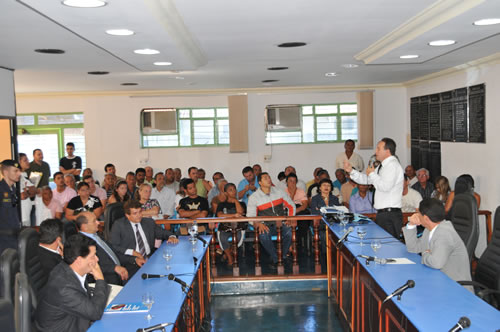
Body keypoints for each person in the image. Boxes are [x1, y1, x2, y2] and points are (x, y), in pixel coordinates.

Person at [35, 234, 109, 332]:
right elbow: (95, 313)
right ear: (78, 260)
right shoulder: (64, 287)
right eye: (93, 256)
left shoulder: (69, 267)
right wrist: (100, 279)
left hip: (75, 321)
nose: (97, 259)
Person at [403, 198, 472, 291]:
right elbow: (413, 248)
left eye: (419, 213)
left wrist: (425, 254)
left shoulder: (444, 233)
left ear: (426, 218)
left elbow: (436, 263)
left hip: (456, 288)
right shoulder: (430, 228)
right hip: (439, 280)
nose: (416, 215)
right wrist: (411, 224)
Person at [344, 137, 404, 238]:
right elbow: (367, 180)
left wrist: (372, 174)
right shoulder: (383, 166)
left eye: (378, 149)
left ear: (387, 151)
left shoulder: (392, 165)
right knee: (383, 247)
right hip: (383, 214)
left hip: (390, 214)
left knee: (389, 248)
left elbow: (385, 187)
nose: (376, 151)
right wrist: (351, 171)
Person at [110, 200, 178, 273]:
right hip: (131, 262)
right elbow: (114, 247)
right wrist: (132, 253)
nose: (139, 215)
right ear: (127, 215)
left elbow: (163, 232)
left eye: (140, 212)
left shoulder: (148, 222)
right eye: (135, 213)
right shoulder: (119, 225)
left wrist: (172, 236)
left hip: (150, 259)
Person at [247, 172, 295, 269]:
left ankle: (281, 256)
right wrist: (258, 224)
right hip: (265, 224)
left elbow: (291, 205)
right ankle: (277, 258)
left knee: (289, 231)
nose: (269, 179)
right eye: (265, 178)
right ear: (259, 182)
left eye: (269, 177)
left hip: (280, 223)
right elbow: (250, 216)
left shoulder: (279, 192)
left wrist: (290, 218)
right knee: (263, 235)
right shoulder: (254, 197)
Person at [77, 212, 129, 284]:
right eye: (94, 221)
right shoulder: (81, 243)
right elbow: (89, 266)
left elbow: (112, 252)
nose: (98, 223)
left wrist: (134, 259)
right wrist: (114, 268)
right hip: (107, 280)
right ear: (84, 226)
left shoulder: (96, 235)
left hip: (120, 272)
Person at [216, 183, 246, 266]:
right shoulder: (221, 204)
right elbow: (219, 215)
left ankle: (227, 254)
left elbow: (240, 212)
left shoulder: (242, 203)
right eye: (230, 190)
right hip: (225, 227)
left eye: (234, 189)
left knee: (238, 238)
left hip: (238, 227)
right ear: (225, 193)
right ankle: (230, 257)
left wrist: (236, 201)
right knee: (222, 238)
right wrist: (233, 215)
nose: (234, 191)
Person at [0, 159, 22, 254]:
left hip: (14, 236)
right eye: (15, 171)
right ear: (5, 172)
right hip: (3, 238)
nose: (19, 173)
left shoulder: (13, 190)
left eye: (19, 171)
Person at [19, 153, 36, 226]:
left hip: (30, 209)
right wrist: (29, 192)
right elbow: (22, 195)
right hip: (23, 214)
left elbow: (34, 190)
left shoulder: (24, 175)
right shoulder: (18, 178)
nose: (28, 161)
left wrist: (27, 191)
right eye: (25, 160)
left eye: (27, 159)